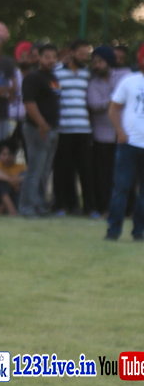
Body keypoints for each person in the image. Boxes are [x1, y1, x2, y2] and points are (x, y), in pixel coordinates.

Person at [53, 38, 95, 216]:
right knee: (62, 169)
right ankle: (61, 206)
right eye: (81, 53)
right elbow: (54, 96)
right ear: (71, 53)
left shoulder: (87, 74)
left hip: (83, 129)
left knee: (86, 169)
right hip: (63, 128)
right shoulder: (57, 73)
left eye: (86, 53)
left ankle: (89, 208)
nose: (84, 56)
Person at [88, 46, 131, 217]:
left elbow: (131, 97)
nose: (97, 65)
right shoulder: (93, 83)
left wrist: (110, 101)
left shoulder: (125, 75)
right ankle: (105, 208)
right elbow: (94, 104)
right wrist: (116, 99)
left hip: (125, 134)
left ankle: (128, 209)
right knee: (103, 175)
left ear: (108, 61)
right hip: (102, 136)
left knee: (126, 174)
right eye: (94, 63)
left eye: (100, 62)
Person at [19, 43, 61, 217]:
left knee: (45, 171)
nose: (51, 60)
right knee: (35, 170)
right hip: (37, 129)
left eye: (54, 57)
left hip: (53, 128)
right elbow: (29, 103)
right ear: (39, 58)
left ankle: (40, 205)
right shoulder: (33, 77)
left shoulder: (52, 77)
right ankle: (26, 206)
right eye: (47, 57)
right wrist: (41, 123)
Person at [104, 67, 144, 241]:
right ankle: (113, 230)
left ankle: (139, 231)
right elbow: (113, 108)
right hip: (129, 143)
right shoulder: (129, 81)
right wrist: (120, 132)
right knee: (121, 188)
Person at [0, 140, 26, 216]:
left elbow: (26, 178)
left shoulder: (21, 167)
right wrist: (10, 180)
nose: (6, 158)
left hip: (16, 194)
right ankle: (11, 210)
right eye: (4, 154)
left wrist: (17, 182)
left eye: (10, 154)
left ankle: (3, 208)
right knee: (0, 182)